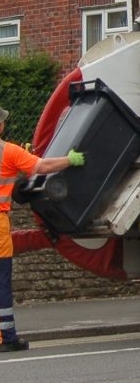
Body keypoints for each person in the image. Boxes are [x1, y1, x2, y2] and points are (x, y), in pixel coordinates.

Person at [0, 105, 84, 352]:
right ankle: (6, 336)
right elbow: (42, 168)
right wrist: (69, 160)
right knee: (1, 281)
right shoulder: (8, 151)